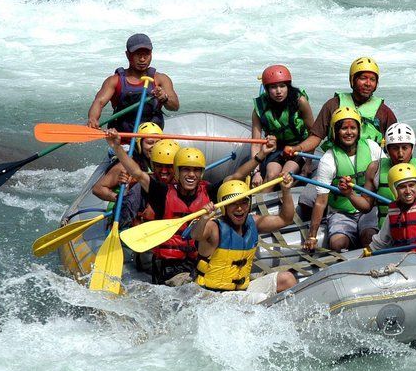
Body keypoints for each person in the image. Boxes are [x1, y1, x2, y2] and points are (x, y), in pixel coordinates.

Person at [105, 129, 279, 284]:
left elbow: (237, 175)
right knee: (187, 288)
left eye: (196, 170)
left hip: (197, 262)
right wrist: (117, 147)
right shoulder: (162, 193)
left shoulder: (209, 192)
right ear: (177, 172)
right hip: (168, 267)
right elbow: (137, 173)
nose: (191, 175)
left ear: (201, 173)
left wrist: (261, 155)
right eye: (186, 170)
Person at [190, 177, 298, 302]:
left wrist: (286, 190)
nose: (239, 208)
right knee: (260, 298)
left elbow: (286, 219)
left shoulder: (254, 222)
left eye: (243, 202)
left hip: (241, 290)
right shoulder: (213, 227)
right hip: (212, 295)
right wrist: (204, 218)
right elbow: (196, 236)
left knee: (287, 279)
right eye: (233, 203)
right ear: (224, 206)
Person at [340, 122, 416, 229]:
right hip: (387, 232)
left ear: (412, 148)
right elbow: (366, 207)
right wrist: (350, 194)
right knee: (367, 235)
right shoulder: (375, 168)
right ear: (388, 149)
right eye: (395, 148)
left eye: (405, 148)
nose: (400, 154)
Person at [303, 107, 384, 253]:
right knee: (337, 243)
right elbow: (321, 201)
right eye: (344, 128)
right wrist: (312, 236)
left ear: (359, 130)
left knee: (369, 237)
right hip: (341, 212)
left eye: (353, 128)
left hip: (369, 209)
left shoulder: (372, 148)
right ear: (335, 132)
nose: (349, 132)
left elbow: (386, 177)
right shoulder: (328, 159)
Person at [282, 56, 397, 157]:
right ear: (353, 80)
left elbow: (397, 145)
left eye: (372, 79)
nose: (368, 83)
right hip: (337, 163)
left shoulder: (384, 112)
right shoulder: (333, 105)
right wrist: (297, 149)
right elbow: (316, 137)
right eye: (363, 78)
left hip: (370, 168)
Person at [87, 33, 179, 132]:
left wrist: (164, 98)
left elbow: (175, 106)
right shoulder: (114, 81)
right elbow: (99, 102)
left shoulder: (161, 79)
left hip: (151, 140)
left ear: (151, 54)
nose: (142, 59)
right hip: (123, 140)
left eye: (146, 54)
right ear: (128, 55)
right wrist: (93, 119)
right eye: (138, 55)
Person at [250, 65, 313, 190]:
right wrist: (256, 172)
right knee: (271, 175)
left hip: (298, 147)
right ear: (267, 89)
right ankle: (259, 207)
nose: (278, 91)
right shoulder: (259, 109)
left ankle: (286, 203)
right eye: (273, 87)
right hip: (277, 148)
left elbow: (313, 133)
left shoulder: (300, 102)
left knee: (285, 176)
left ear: (288, 86)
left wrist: (308, 163)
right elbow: (256, 144)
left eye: (282, 86)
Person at [92, 121, 163, 203]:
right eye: (150, 143)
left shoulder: (162, 163)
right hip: (125, 206)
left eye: (158, 142)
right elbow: (98, 189)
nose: (154, 146)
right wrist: (122, 200)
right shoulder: (125, 166)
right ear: (139, 144)